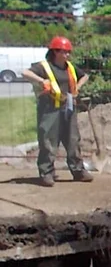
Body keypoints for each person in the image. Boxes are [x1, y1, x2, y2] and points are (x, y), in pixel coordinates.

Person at [22, 36, 92, 187]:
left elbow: (84, 76)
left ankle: (78, 170)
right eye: (63, 52)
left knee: (73, 139)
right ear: (54, 51)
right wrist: (41, 81)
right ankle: (46, 173)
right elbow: (25, 73)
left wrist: (77, 87)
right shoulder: (44, 67)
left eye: (68, 52)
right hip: (49, 110)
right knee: (48, 140)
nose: (66, 55)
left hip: (68, 108)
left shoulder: (70, 67)